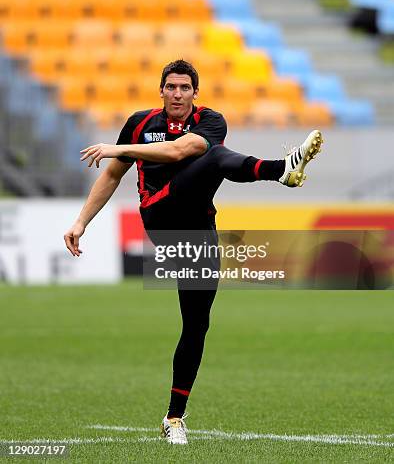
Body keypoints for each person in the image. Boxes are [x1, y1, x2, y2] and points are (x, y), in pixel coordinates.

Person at [64, 59, 323, 445]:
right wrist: (81, 221)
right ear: (161, 90)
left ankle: (174, 417)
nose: (178, 94)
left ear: (195, 93)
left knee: (196, 323)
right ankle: (281, 170)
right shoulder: (140, 122)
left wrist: (116, 146)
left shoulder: (211, 121)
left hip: (198, 232)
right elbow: (113, 175)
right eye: (171, 87)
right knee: (217, 159)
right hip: (160, 216)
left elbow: (180, 151)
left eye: (185, 87)